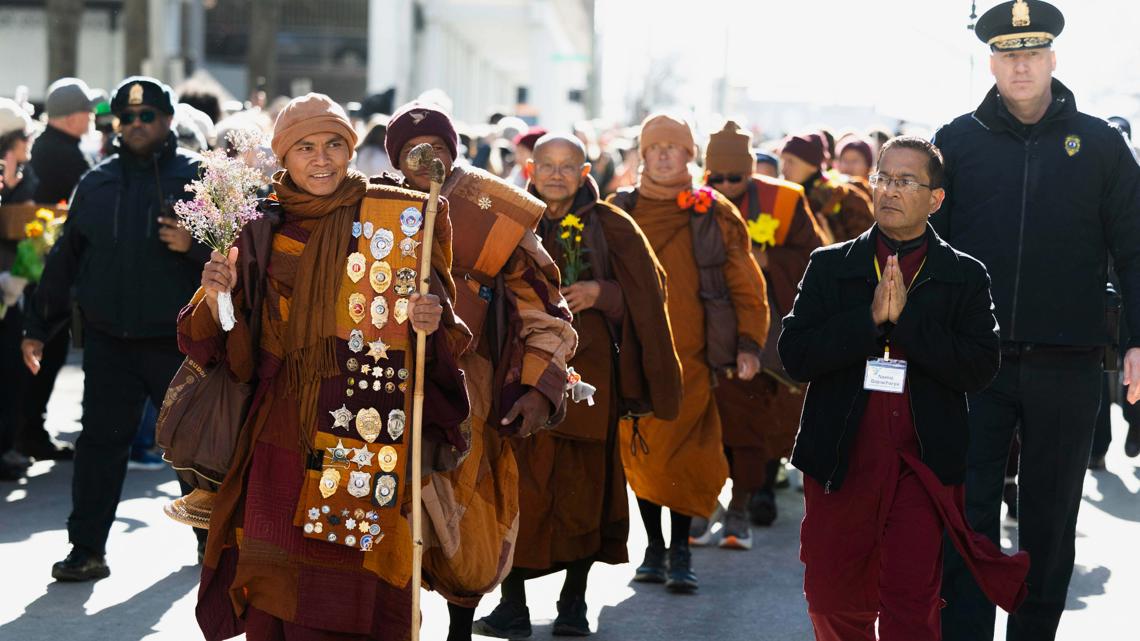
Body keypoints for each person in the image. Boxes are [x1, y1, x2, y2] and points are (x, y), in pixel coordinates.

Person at [188, 92, 471, 641]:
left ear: (351, 151)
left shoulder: (393, 215)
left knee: (354, 568)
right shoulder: (257, 226)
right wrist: (214, 295)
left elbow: (436, 315)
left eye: (335, 144)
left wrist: (428, 317)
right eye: (306, 147)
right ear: (283, 158)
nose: (322, 159)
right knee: (274, 567)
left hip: (364, 417)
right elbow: (221, 341)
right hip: (280, 423)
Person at [933, 3, 1140, 639]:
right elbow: (922, 249)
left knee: (1049, 523)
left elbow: (1134, 248)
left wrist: (1137, 341)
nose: (1020, 64)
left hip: (1067, 364)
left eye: (1032, 52)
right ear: (991, 62)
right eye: (1007, 53)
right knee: (964, 518)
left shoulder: (1102, 145)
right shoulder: (956, 142)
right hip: (974, 367)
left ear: (1053, 58)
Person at [780, 135, 1030, 641]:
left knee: (911, 606)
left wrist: (908, 323)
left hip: (922, 464)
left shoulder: (963, 275)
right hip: (841, 460)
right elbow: (795, 356)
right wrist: (868, 320)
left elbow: (981, 366)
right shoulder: (832, 265)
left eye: (905, 181)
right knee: (832, 602)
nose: (889, 190)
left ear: (935, 199)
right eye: (883, 178)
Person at [379, 101, 577, 641]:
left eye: (439, 149)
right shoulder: (372, 204)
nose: (428, 160)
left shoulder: (497, 210)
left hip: (474, 386)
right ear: (397, 159)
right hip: (383, 382)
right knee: (387, 510)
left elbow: (545, 308)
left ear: (455, 153)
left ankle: (460, 628)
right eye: (415, 152)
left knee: (468, 515)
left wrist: (539, 388)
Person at [474, 133, 681, 637]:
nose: (558, 175)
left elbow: (652, 296)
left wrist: (603, 293)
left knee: (585, 492)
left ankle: (573, 604)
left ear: (586, 173)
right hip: (520, 372)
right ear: (530, 170)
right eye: (548, 165)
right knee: (514, 485)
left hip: (590, 380)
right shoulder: (509, 220)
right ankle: (514, 604)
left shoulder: (613, 226)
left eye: (569, 167)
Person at [20, 76, 208, 581]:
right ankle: (86, 550)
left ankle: (212, 545)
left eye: (147, 116)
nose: (136, 125)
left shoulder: (198, 178)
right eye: (127, 118)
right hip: (109, 343)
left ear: (168, 119)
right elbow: (65, 260)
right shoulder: (96, 182)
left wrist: (193, 248)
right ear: (116, 125)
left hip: (178, 343)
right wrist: (38, 325)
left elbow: (238, 261)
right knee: (99, 448)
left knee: (191, 449)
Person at [608, 113, 768, 593]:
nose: (661, 155)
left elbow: (745, 282)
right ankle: (653, 548)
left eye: (671, 147)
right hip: (633, 356)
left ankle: (680, 551)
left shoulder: (712, 211)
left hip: (691, 358)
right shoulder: (619, 210)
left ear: (688, 155)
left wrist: (749, 344)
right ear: (641, 153)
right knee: (643, 455)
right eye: (653, 147)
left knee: (687, 455)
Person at [700, 121, 826, 543]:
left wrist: (768, 261)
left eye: (734, 177)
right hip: (709, 324)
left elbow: (814, 258)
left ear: (751, 171)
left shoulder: (783, 200)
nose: (724, 185)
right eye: (715, 177)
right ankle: (705, 500)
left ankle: (745, 500)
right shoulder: (695, 200)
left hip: (769, 328)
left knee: (756, 418)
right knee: (711, 419)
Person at [0, 98, 37, 482]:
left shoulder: (24, 176)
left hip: (13, 290)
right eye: (24, 137)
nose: (29, 144)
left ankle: (7, 446)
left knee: (10, 370)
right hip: (6, 286)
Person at [781, 132, 874, 244]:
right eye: (783, 161)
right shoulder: (786, 197)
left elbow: (865, 247)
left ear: (812, 166)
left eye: (791, 161)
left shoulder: (845, 195)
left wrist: (832, 247)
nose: (783, 169)